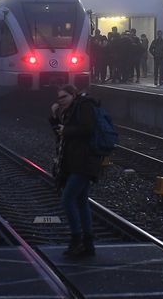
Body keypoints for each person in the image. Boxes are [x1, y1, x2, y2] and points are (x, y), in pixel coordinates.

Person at [49, 85, 102, 257]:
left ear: (73, 94)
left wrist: (67, 130)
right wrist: (54, 117)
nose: (61, 101)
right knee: (81, 201)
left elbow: (88, 129)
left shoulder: (85, 106)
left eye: (63, 97)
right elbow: (60, 136)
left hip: (85, 162)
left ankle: (76, 239)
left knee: (67, 199)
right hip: (74, 162)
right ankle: (88, 243)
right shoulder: (69, 110)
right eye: (59, 98)